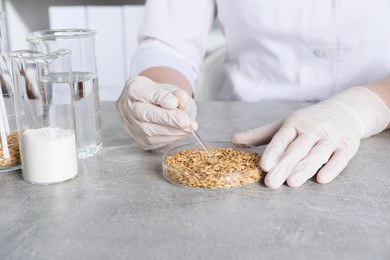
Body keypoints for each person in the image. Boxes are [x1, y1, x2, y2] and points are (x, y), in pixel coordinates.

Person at [116, 1, 390, 189]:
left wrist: (361, 109)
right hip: (245, 135)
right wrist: (161, 92)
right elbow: (169, 44)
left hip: (377, 132)